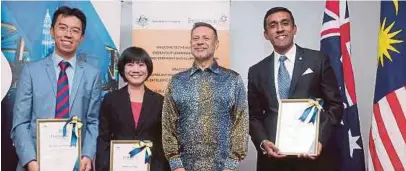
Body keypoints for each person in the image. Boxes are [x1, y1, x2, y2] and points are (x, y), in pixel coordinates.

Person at [248, 7, 343, 171]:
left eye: (285, 23)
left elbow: (335, 105)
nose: (279, 29)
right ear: (266, 34)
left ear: (294, 28)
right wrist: (263, 142)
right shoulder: (256, 71)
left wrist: (319, 140)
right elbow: (253, 116)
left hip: (314, 159)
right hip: (273, 162)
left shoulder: (317, 60)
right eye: (273, 25)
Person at [11, 6, 100, 171]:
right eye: (62, 28)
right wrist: (31, 161)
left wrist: (87, 155)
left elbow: (93, 122)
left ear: (81, 37)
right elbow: (20, 123)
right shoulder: (31, 71)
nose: (68, 34)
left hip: (76, 164)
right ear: (52, 31)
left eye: (75, 30)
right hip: (36, 163)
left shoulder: (92, 75)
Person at [162, 22, 249, 171]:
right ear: (190, 44)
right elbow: (168, 124)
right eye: (195, 38)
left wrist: (231, 165)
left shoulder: (233, 80)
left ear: (216, 44)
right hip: (184, 168)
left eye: (206, 38)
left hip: (223, 168)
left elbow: (241, 123)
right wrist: (176, 165)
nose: (200, 42)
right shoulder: (177, 81)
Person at [96, 46, 170, 171]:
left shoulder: (160, 101)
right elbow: (103, 137)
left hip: (152, 166)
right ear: (123, 68)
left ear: (148, 68)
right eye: (130, 65)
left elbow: (164, 141)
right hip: (117, 166)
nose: (136, 70)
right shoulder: (111, 99)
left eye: (141, 65)